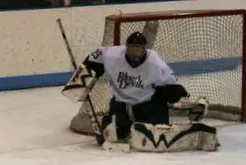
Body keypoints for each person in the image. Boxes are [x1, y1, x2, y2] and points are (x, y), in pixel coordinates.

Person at [63, 31, 218, 152]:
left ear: (145, 49)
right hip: (121, 103)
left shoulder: (155, 62)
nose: (135, 54)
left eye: (139, 50)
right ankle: (112, 122)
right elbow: (94, 59)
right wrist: (81, 81)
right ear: (126, 47)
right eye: (132, 49)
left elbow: (171, 86)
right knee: (111, 135)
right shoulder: (112, 54)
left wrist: (185, 102)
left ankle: (166, 120)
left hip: (149, 104)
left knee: (156, 136)